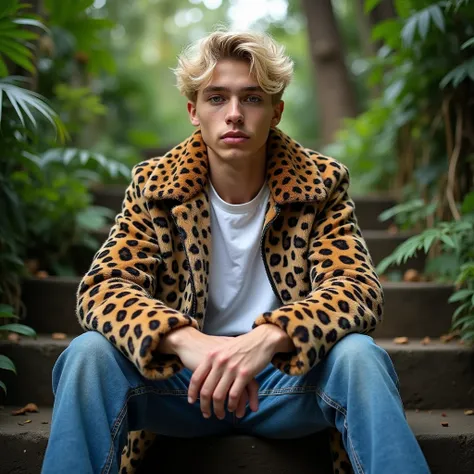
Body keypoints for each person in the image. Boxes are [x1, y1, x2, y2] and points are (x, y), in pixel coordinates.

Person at [41, 30, 430, 474]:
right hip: (181, 385)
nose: (233, 115)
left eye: (251, 99)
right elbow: (102, 288)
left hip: (285, 380)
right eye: (216, 98)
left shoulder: (320, 183)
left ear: (276, 112)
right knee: (87, 354)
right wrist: (188, 342)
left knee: (361, 356)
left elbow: (358, 288)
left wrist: (267, 338)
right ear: (193, 111)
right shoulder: (155, 186)